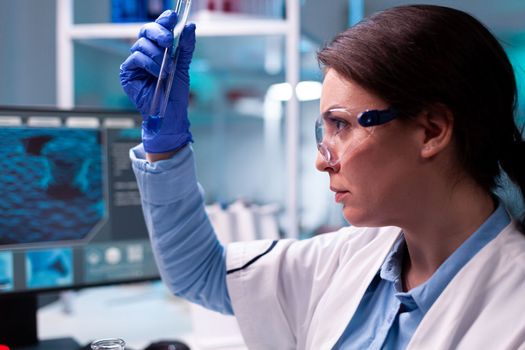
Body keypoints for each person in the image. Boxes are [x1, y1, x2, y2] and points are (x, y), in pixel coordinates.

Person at [120, 4, 525, 349]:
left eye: (341, 125)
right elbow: (200, 272)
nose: (322, 161)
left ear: (431, 130)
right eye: (324, 130)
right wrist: (165, 145)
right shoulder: (352, 257)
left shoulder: (514, 310)